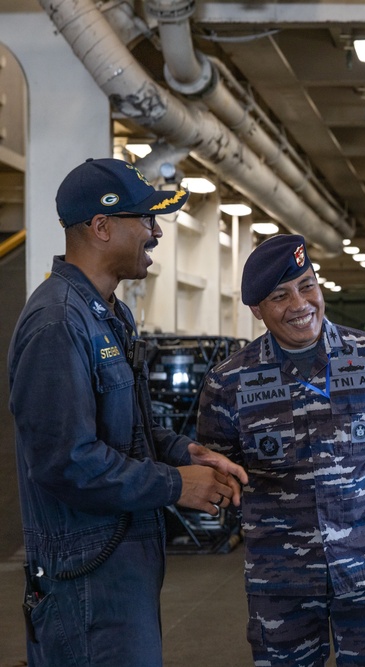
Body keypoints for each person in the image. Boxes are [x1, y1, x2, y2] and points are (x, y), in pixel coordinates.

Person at [8, 157, 249, 666]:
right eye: (146, 219)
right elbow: (64, 461)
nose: (156, 233)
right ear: (101, 227)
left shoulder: (110, 314)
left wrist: (187, 452)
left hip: (119, 570)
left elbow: (128, 430)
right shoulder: (57, 324)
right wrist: (175, 484)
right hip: (85, 581)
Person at [196, 234, 365, 666]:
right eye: (280, 295)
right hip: (281, 579)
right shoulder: (228, 381)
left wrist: (355, 503)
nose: (300, 303)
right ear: (257, 310)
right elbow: (220, 469)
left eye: (307, 285)